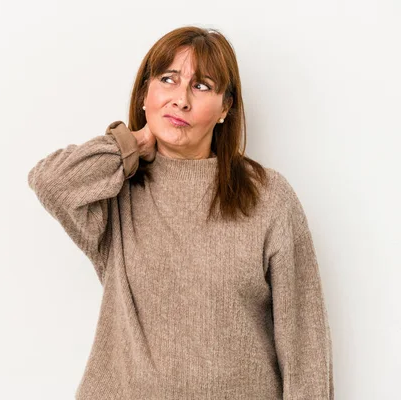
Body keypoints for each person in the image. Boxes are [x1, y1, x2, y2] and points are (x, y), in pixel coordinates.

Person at [27, 26, 334, 399]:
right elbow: (51, 182)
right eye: (168, 80)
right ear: (145, 94)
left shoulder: (268, 197)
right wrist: (131, 143)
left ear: (225, 108)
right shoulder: (114, 193)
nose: (180, 100)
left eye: (202, 85)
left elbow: (304, 346)